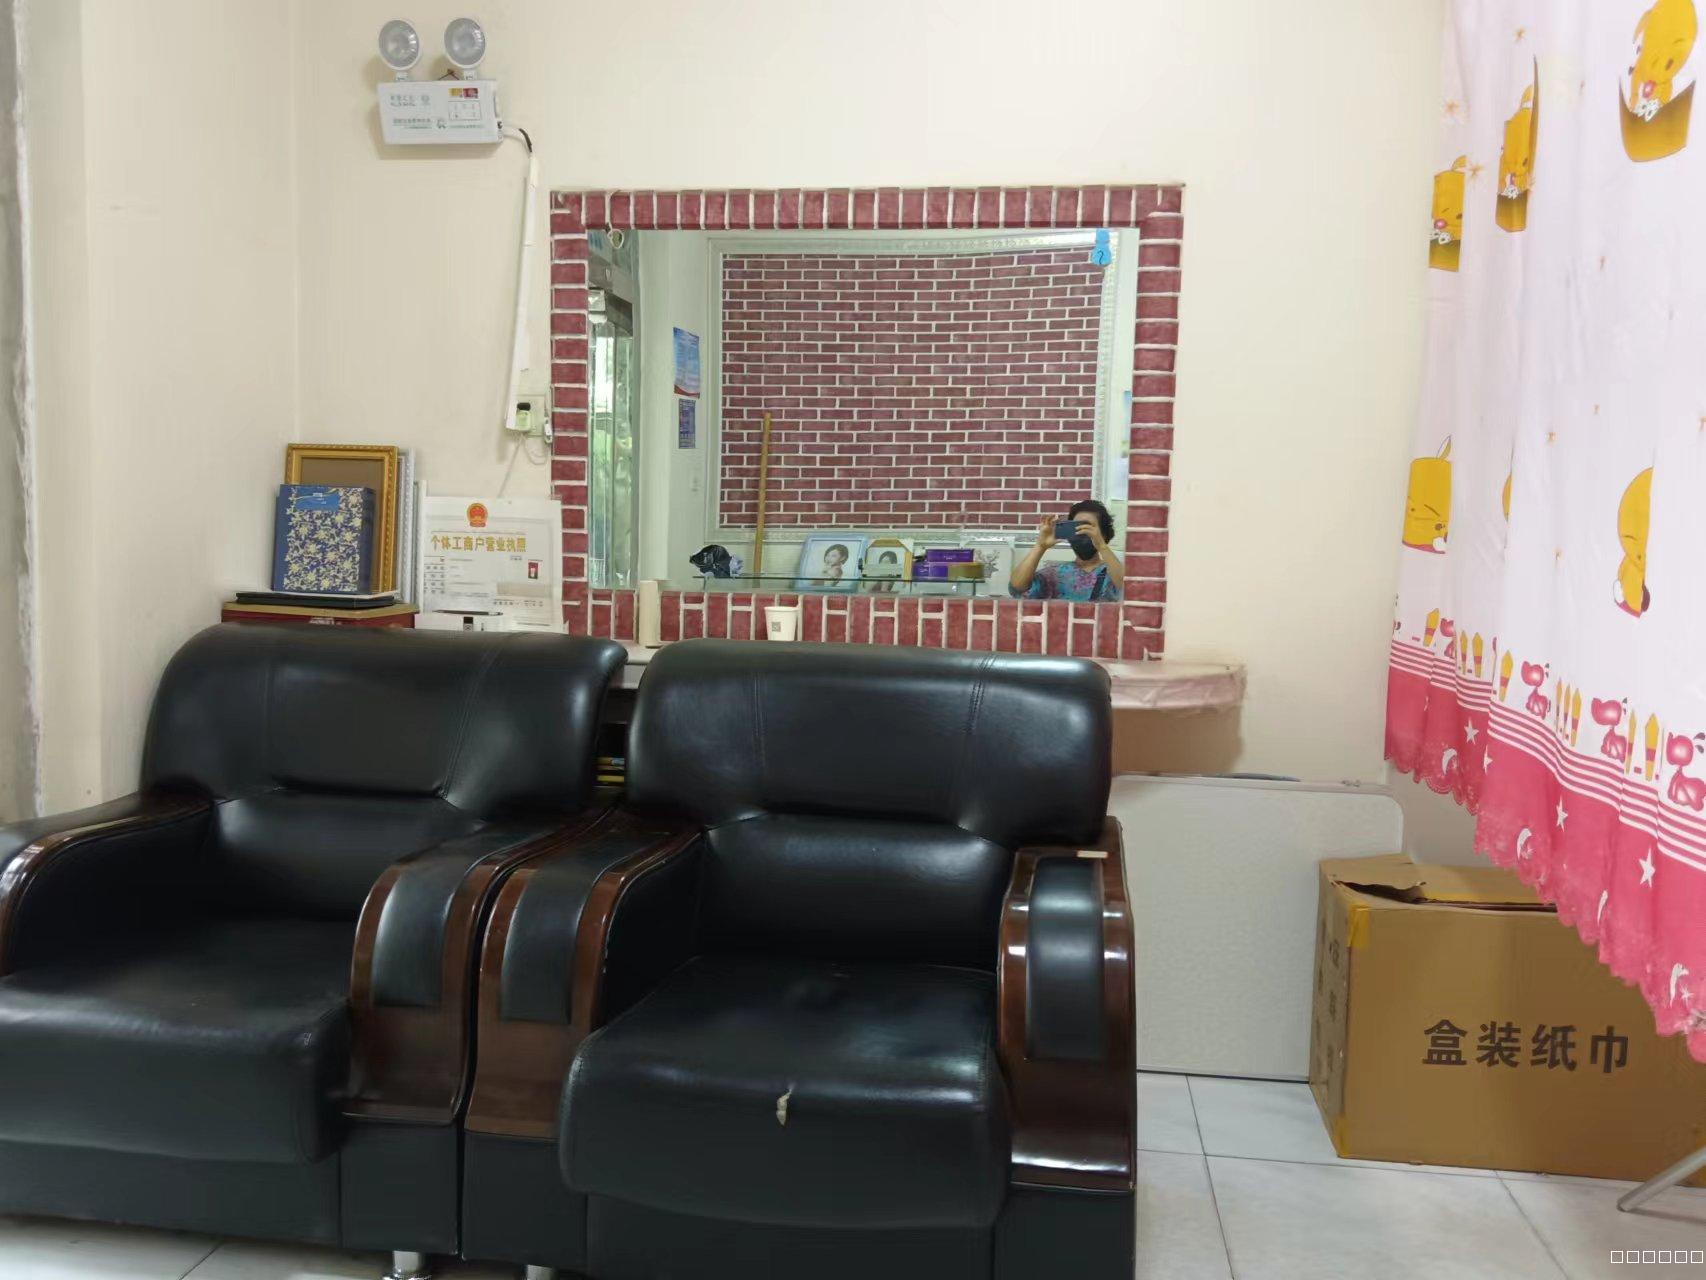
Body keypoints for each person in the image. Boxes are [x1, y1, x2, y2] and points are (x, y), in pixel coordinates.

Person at [1009, 500, 1123, 601]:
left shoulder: (1113, 572)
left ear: (1103, 534)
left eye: (1088, 527)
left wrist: (1102, 546)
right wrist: (1040, 546)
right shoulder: (1054, 575)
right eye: (1076, 526)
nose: (1081, 532)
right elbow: (1017, 588)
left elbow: (1128, 589)